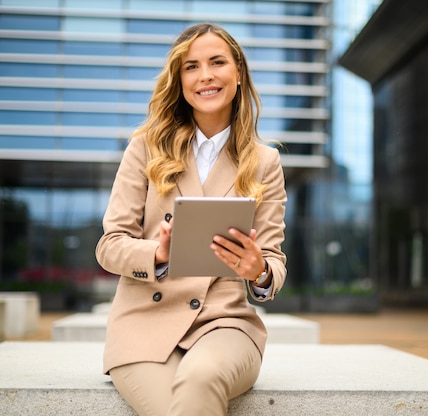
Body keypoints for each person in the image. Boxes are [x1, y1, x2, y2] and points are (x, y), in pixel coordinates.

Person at [95, 23, 287, 416]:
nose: (206, 76)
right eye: (191, 67)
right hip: (143, 325)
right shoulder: (144, 148)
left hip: (226, 325)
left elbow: (273, 260)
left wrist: (259, 271)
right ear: (179, 80)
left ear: (238, 73)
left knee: (201, 378)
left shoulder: (265, 162)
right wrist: (158, 253)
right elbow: (110, 244)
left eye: (217, 62)